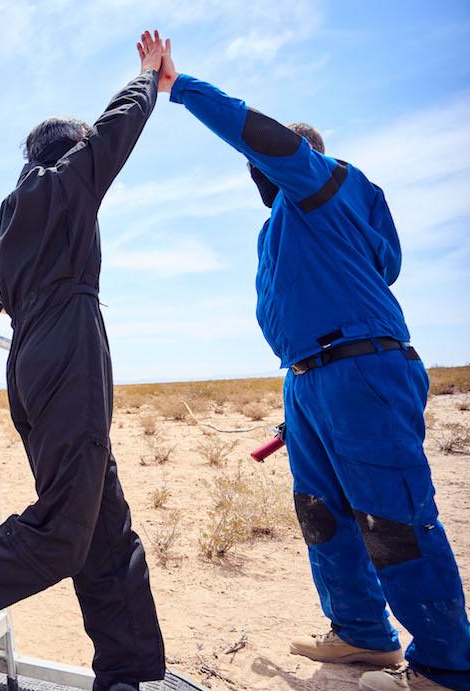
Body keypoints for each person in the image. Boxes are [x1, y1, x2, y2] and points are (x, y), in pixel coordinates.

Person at [156, 37, 470, 691]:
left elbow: (267, 138)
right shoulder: (280, 227)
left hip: (363, 372)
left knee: (394, 515)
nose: (255, 171)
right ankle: (361, 633)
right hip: (311, 381)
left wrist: (180, 86)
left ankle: (446, 662)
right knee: (321, 513)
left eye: (259, 162)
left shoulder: (324, 184)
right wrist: (304, 389)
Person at [0, 32, 170, 691]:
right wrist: (147, 73)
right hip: (69, 351)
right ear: (74, 148)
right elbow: (122, 123)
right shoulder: (73, 179)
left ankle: (125, 670)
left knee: (103, 524)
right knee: (66, 527)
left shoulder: (6, 215)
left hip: (30, 358)